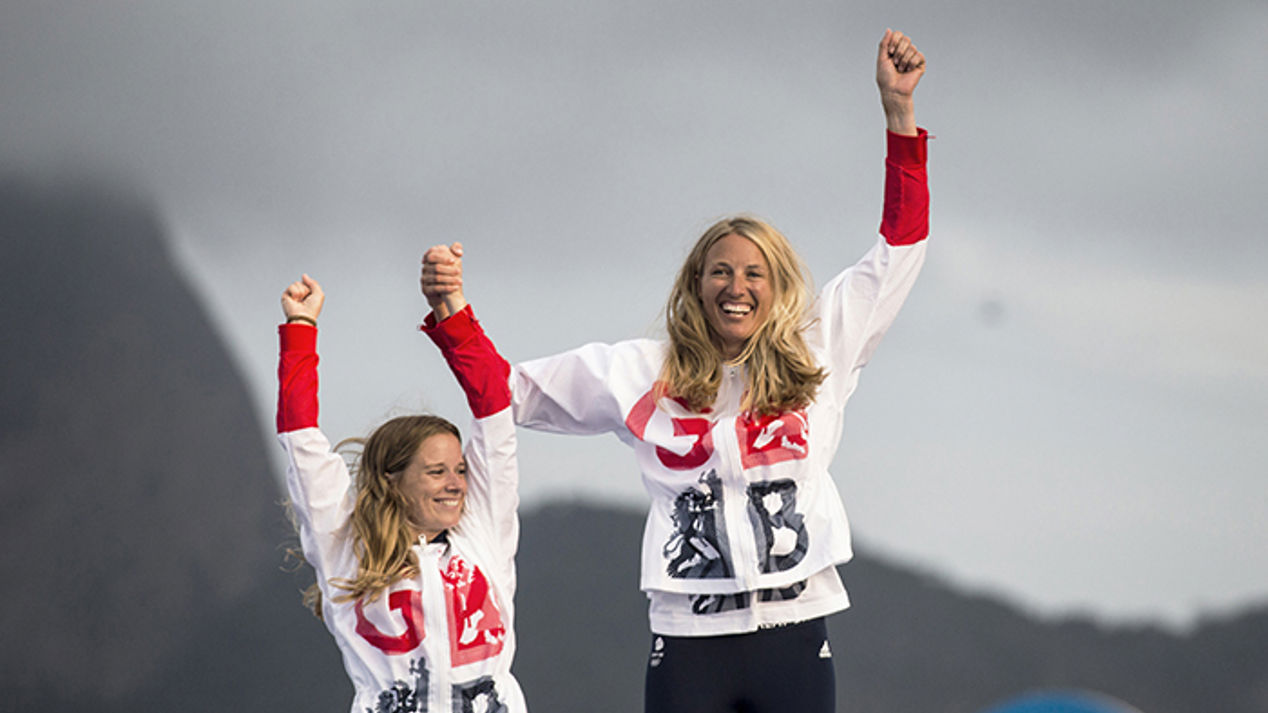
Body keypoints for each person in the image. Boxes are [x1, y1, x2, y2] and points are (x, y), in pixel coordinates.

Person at [425, 29, 929, 713]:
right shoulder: (639, 372)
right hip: (689, 640)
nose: (737, 286)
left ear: (778, 288)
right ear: (696, 284)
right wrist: (452, 310)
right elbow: (509, 392)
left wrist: (898, 116)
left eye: (754, 273)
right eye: (720, 271)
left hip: (795, 631)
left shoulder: (820, 348)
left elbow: (898, 249)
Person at [275, 266, 526, 713]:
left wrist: (452, 310)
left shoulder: (482, 534)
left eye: (461, 469)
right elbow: (302, 444)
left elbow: (494, 408)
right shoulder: (347, 547)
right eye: (436, 472)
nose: (455, 485)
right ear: (392, 480)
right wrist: (301, 329)